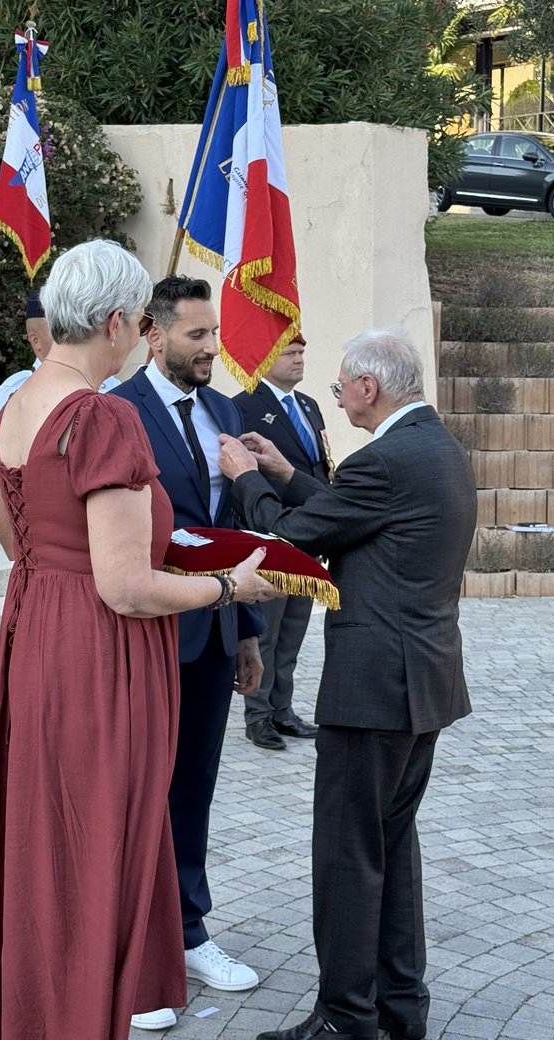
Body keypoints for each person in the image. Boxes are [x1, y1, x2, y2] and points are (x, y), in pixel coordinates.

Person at [0, 240, 277, 1040]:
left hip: (35, 637)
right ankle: (79, 1013)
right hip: (97, 650)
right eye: (140, 323)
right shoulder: (102, 415)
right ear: (118, 322)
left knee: (41, 838)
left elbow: (20, 544)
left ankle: (35, 1012)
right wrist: (231, 587)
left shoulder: (16, 403)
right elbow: (125, 584)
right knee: (95, 846)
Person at [218, 326, 477, 1040]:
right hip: (421, 685)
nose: (337, 397)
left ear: (368, 387)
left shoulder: (386, 461)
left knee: (347, 856)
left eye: (341, 387)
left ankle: (343, 1020)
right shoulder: (434, 446)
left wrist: (242, 474)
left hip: (374, 692)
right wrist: (283, 473)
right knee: (391, 851)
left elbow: (294, 539)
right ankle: (398, 1010)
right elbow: (353, 514)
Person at [111, 275, 268, 1031]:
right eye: (197, 336)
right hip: (145, 636)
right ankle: (133, 962)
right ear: (153, 333)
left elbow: (232, 527)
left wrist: (246, 638)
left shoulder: (225, 410)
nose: (212, 348)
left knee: (193, 790)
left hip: (214, 633)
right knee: (140, 794)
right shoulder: (119, 411)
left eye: (214, 336)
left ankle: (189, 933)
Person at [234, 335, 333, 751]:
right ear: (266, 356)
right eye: (290, 353)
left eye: (302, 353)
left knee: (293, 631)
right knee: (267, 632)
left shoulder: (308, 406)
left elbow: (321, 467)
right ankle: (258, 717)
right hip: (271, 535)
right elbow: (244, 476)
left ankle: (282, 709)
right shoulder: (244, 406)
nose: (299, 360)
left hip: (307, 536)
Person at [0, 289, 119, 557]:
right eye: (58, 331)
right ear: (35, 341)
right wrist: (19, 553)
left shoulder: (113, 387)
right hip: (46, 554)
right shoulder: (13, 392)